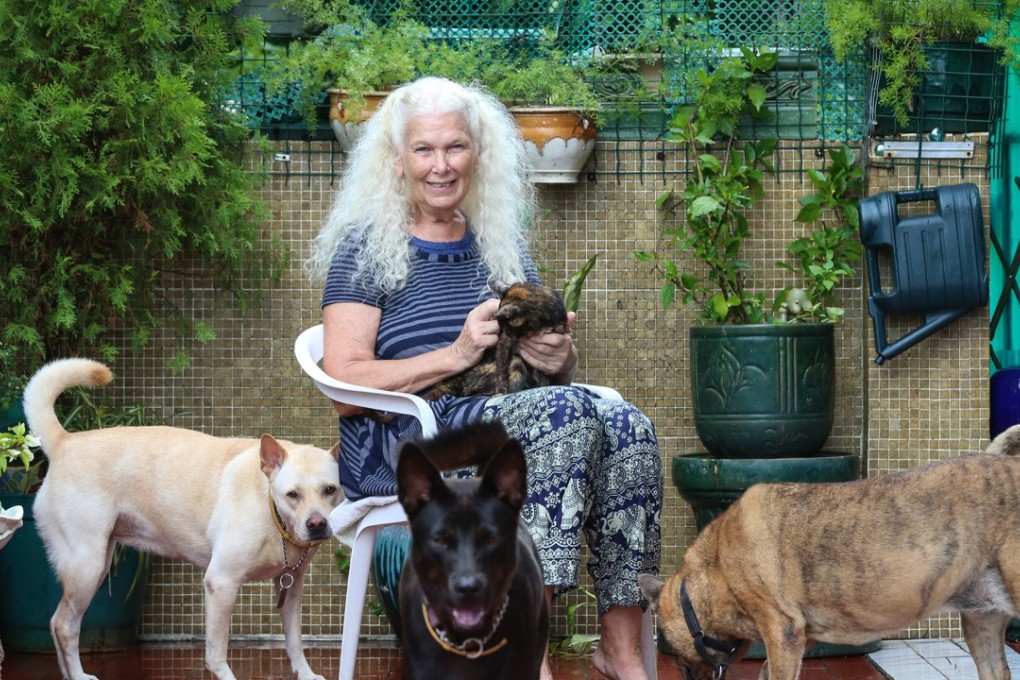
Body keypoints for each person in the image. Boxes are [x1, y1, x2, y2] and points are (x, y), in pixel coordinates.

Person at [307, 76, 662, 680]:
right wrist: (455, 353)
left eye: (455, 148)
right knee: (556, 421)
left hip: (500, 416)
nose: (441, 166)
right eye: (424, 150)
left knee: (628, 425)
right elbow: (343, 380)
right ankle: (532, 653)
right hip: (408, 438)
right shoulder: (364, 250)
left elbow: (538, 361)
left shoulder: (500, 242)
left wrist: (557, 361)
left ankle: (620, 650)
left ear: (478, 154)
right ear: (397, 161)